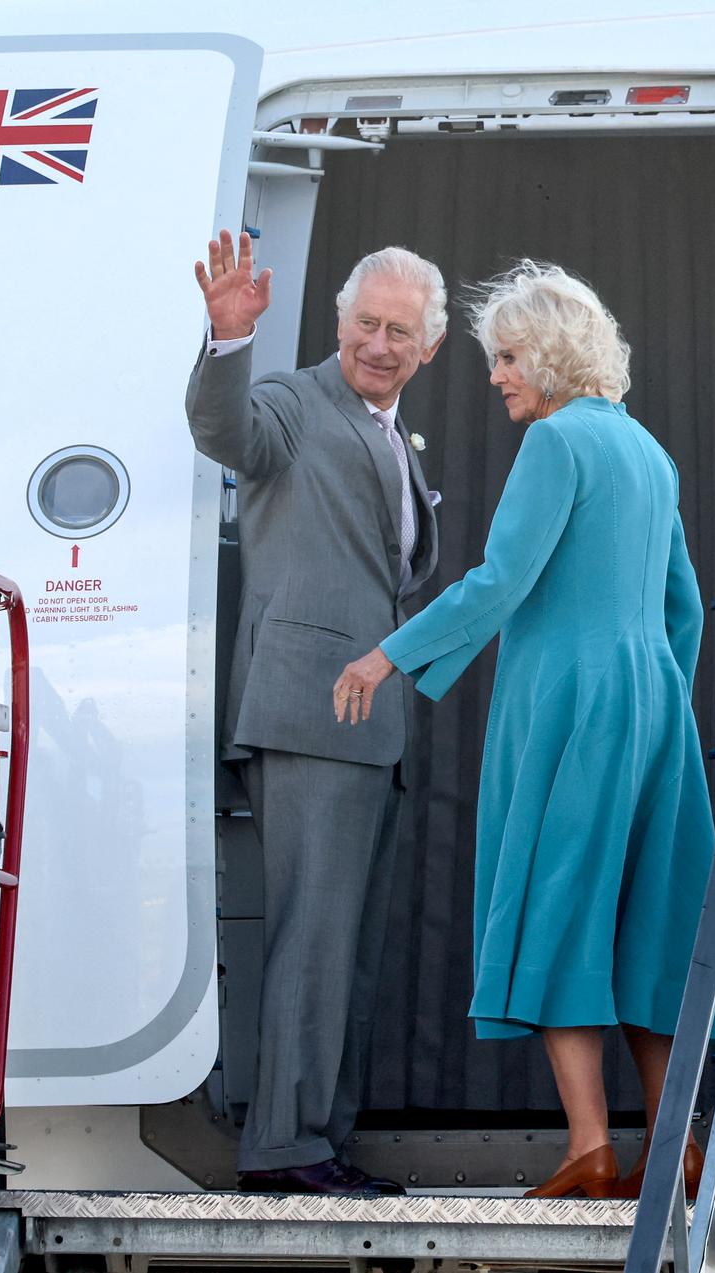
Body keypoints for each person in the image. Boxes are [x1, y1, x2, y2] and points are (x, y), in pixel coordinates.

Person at [332, 261, 715, 1200]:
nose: (498, 375)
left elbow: (500, 581)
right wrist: (653, 694)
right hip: (653, 702)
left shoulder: (556, 446)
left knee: (558, 903)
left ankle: (589, 1145)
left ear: (547, 355)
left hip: (565, 703)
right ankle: (680, 1148)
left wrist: (388, 656)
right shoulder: (650, 452)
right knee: (649, 916)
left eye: (507, 357)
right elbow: (687, 610)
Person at [186, 231, 445, 1196]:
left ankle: (322, 1139)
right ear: (339, 323)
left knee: (351, 946)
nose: (380, 343)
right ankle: (285, 1148)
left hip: (369, 723)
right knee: (314, 932)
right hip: (308, 710)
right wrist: (225, 343)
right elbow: (228, 432)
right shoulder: (296, 402)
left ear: (431, 348)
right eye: (366, 323)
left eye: (400, 331)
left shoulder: (393, 435)